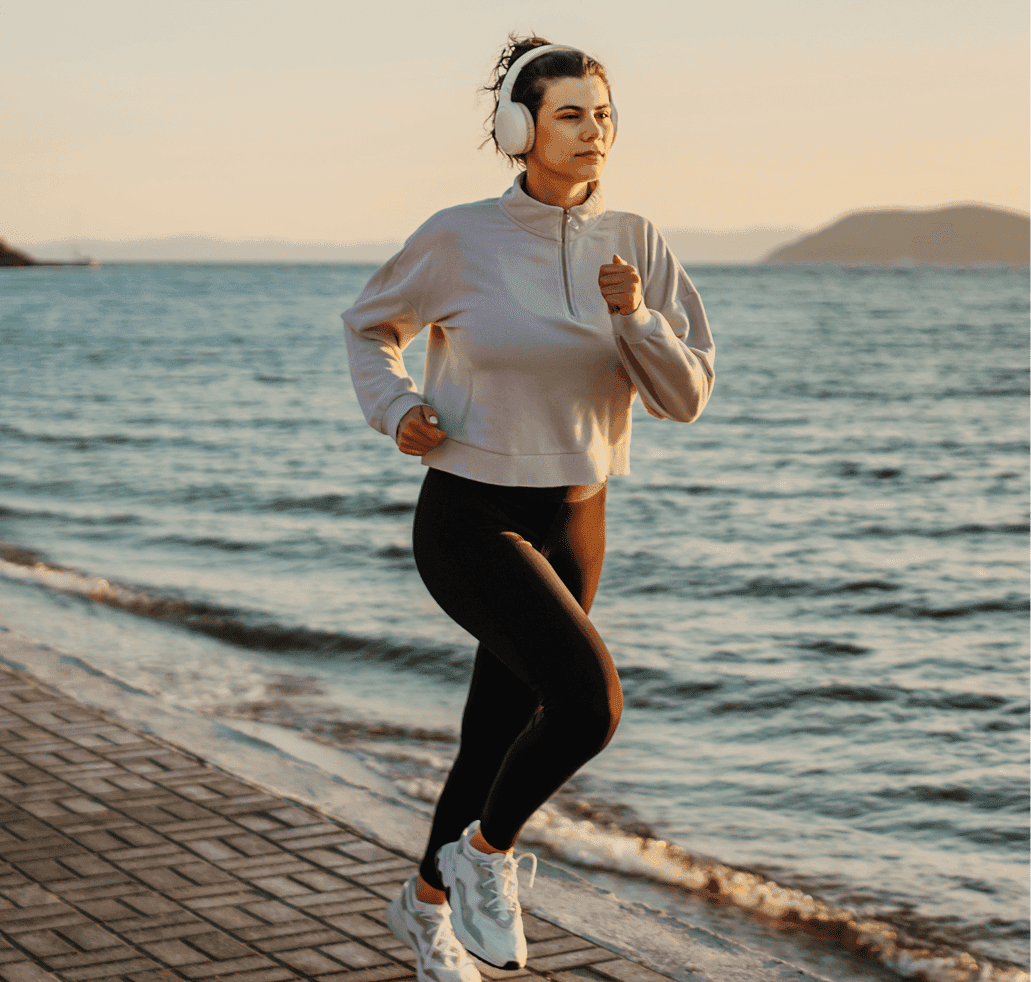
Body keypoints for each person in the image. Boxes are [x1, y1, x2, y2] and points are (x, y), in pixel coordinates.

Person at [342, 35, 715, 982]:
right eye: (569, 115)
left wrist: (635, 321)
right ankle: (483, 858)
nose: (594, 132)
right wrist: (397, 410)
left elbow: (687, 396)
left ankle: (425, 915)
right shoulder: (458, 237)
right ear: (519, 129)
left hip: (578, 517)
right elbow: (368, 326)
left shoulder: (638, 240)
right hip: (470, 516)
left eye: (602, 114)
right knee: (589, 705)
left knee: (494, 740)